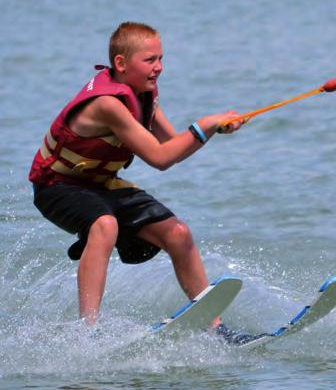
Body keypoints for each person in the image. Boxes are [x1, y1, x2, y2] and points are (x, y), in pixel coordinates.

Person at [28, 21, 247, 338]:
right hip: (57, 187)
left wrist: (216, 128)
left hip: (101, 184)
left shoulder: (143, 94)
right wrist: (205, 124)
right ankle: (87, 334)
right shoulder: (107, 105)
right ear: (121, 63)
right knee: (105, 224)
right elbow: (160, 159)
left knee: (179, 234)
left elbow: (173, 144)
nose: (158, 68)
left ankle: (219, 331)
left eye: (161, 59)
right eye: (150, 60)